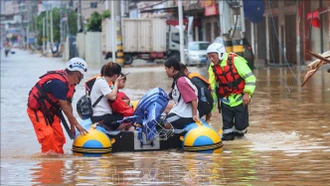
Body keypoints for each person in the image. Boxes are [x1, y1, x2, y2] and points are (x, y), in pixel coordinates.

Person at [27, 57, 89, 154]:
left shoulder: (70, 85)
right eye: (81, 76)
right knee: (48, 136)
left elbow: (68, 106)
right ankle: (48, 164)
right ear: (76, 73)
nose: (82, 78)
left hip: (52, 111)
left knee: (59, 137)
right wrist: (77, 124)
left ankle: (58, 164)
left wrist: (72, 125)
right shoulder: (59, 84)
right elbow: (64, 107)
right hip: (38, 111)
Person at [206, 43, 256, 140]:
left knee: (240, 131)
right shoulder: (212, 68)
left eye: (213, 56)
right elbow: (212, 90)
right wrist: (210, 110)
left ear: (220, 53)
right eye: (209, 57)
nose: (211, 59)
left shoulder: (235, 61)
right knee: (227, 133)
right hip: (225, 102)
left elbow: (251, 78)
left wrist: (247, 94)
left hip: (240, 100)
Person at [90, 62, 134, 131]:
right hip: (101, 117)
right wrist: (116, 82)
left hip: (105, 116)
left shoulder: (103, 81)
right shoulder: (101, 82)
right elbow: (113, 97)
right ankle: (116, 134)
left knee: (124, 118)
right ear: (116, 76)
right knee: (128, 120)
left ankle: (116, 132)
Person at [164, 57, 199, 129]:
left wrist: (194, 115)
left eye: (166, 69)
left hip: (186, 115)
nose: (166, 71)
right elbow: (170, 96)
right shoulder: (178, 79)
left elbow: (193, 99)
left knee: (160, 123)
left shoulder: (181, 81)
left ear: (171, 69)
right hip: (181, 112)